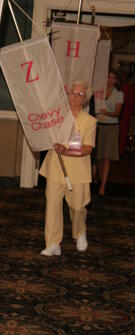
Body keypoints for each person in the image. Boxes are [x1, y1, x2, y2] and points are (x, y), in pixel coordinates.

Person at [39, 81, 97, 257]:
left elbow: (88, 148)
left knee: (78, 207)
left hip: (78, 170)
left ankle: (80, 233)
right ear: (68, 94)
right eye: (73, 92)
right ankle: (53, 242)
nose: (75, 97)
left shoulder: (90, 121)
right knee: (52, 206)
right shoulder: (57, 116)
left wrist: (68, 150)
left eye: (80, 94)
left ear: (85, 99)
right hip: (55, 166)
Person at [95, 70, 123, 196]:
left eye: (113, 78)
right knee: (99, 157)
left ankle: (103, 186)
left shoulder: (119, 94)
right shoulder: (98, 91)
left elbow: (118, 113)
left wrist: (105, 112)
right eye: (108, 77)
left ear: (116, 80)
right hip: (98, 126)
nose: (110, 80)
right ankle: (100, 179)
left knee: (107, 157)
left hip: (112, 128)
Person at [119, 72, 135, 156]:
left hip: (128, 114)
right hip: (124, 114)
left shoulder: (131, 88)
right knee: (122, 133)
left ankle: (121, 150)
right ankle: (119, 151)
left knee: (125, 134)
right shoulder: (125, 88)